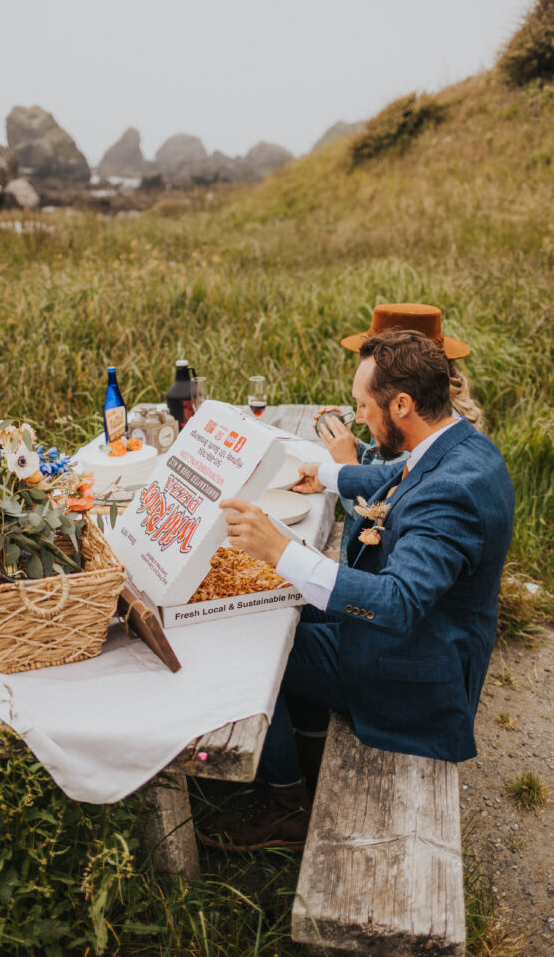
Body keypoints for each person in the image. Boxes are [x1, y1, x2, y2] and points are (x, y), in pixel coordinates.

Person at [199, 329, 514, 852]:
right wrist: (324, 473)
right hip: (430, 638)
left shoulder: (452, 495)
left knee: (257, 647)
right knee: (283, 605)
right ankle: (308, 748)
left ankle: (286, 807)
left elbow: (396, 604)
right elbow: (400, 474)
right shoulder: (455, 441)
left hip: (415, 670)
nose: (359, 417)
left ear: (403, 403)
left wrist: (280, 550)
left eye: (364, 405)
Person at [316, 303, 483, 563]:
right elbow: (388, 469)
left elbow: (380, 516)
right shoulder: (412, 411)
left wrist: (345, 463)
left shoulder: (425, 431)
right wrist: (354, 446)